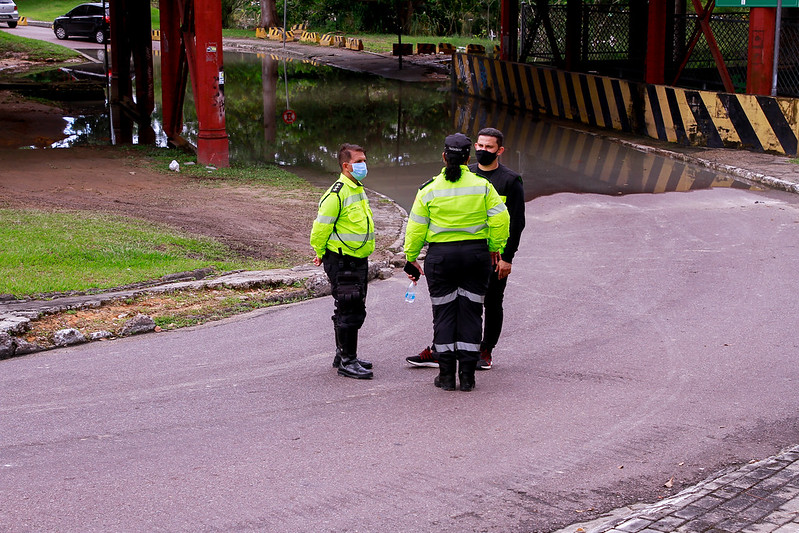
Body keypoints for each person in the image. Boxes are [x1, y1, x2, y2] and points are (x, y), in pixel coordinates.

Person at [406, 127, 525, 370]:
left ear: (500, 150)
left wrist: (506, 256)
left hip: (493, 255)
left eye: (489, 147)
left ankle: (484, 350)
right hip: (473, 254)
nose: (483, 150)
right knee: (453, 304)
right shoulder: (464, 174)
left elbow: (515, 222)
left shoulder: (510, 180)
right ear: (470, 152)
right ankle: (442, 351)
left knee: (491, 303)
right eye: (479, 145)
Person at [310, 143, 375, 379]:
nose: (363, 165)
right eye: (359, 162)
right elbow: (320, 229)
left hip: (357, 259)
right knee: (350, 309)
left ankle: (343, 355)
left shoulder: (356, 188)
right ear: (346, 166)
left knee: (350, 307)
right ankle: (348, 361)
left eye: (364, 160)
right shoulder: (336, 194)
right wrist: (320, 252)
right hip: (342, 260)